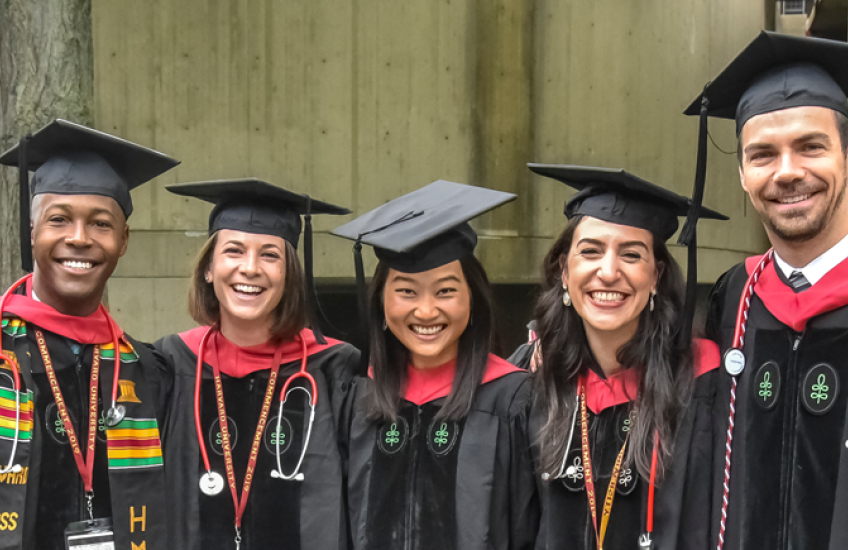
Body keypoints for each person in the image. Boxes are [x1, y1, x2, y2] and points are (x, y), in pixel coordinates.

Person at [508, 164, 724, 550]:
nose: (608, 272)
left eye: (631, 254)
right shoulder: (528, 377)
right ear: (564, 270)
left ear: (655, 276)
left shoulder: (704, 381)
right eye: (590, 251)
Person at [692, 32, 848, 550]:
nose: (787, 172)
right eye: (762, 155)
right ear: (742, 174)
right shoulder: (733, 296)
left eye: (810, 147)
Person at [0, 119, 179, 550]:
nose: (79, 238)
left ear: (123, 240)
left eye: (100, 224)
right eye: (59, 219)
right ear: (32, 231)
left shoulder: (145, 369)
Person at [332, 180, 539, 550]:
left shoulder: (513, 401)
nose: (426, 311)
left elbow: (531, 529)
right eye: (406, 291)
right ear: (381, 301)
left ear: (472, 299)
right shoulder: (356, 399)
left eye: (445, 291)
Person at [154, 178, 359, 550]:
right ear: (208, 268)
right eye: (234, 251)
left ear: (289, 273)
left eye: (270, 255)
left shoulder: (333, 369)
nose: (250, 268)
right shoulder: (172, 363)